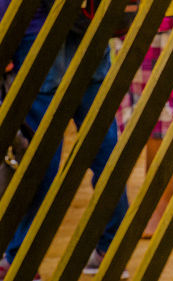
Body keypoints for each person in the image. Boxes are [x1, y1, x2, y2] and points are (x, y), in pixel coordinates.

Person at [0, 1, 129, 279]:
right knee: (104, 144)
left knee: (37, 155)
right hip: (89, 26)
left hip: (37, 32)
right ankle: (112, 246)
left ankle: (21, 259)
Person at [112, 0, 173, 238]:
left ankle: (161, 206)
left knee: (163, 119)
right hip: (128, 19)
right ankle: (149, 204)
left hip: (169, 18)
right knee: (132, 115)